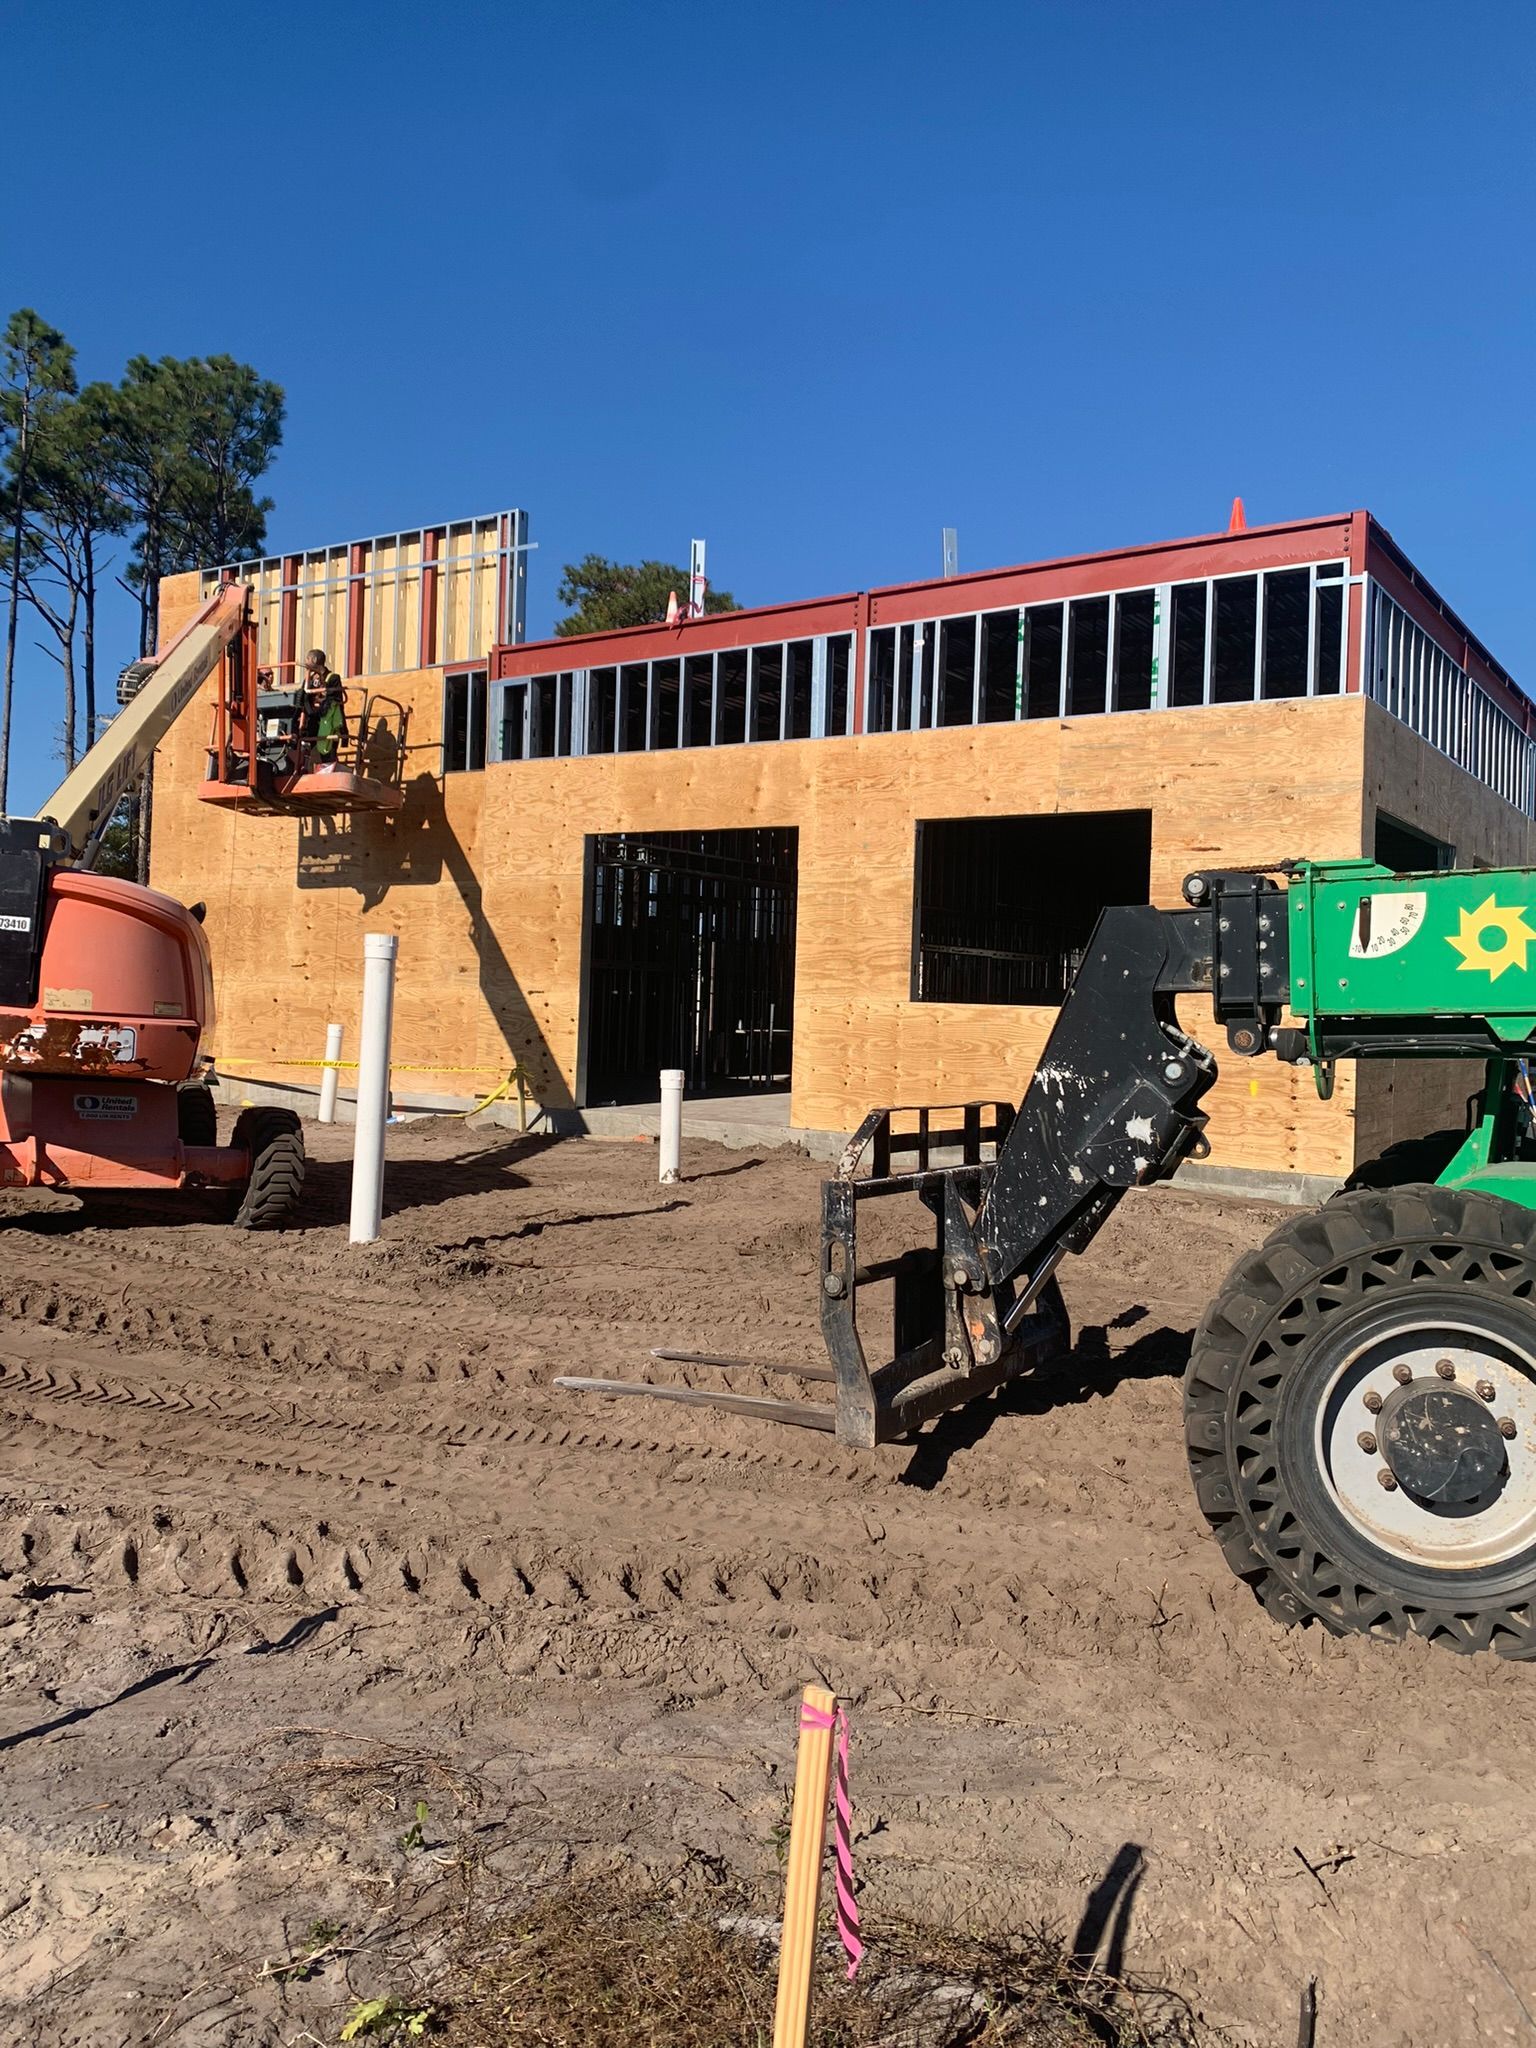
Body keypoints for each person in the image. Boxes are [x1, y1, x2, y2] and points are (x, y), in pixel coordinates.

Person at [298, 649, 348, 770]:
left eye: (307, 659)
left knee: (328, 753)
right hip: (312, 722)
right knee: (309, 750)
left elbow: (336, 703)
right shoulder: (308, 679)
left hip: (327, 724)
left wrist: (344, 731)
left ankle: (328, 771)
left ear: (314, 660)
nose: (305, 663)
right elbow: (301, 699)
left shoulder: (333, 678)